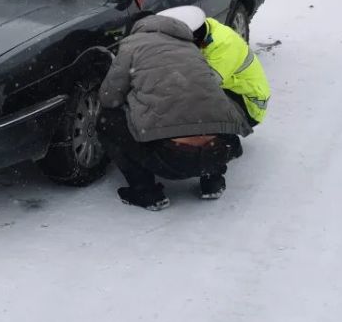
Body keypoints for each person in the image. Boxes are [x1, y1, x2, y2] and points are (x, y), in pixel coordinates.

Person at [98, 14, 252, 210]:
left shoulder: (131, 45)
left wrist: (134, 97)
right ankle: (212, 181)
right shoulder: (191, 47)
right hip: (220, 150)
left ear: (138, 28)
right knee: (204, 109)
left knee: (106, 120)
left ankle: (146, 192)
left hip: (170, 159)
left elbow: (109, 97)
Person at [158, 6, 270, 126]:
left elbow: (202, 85)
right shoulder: (202, 26)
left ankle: (217, 136)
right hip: (230, 89)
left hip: (249, 105)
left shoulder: (224, 46)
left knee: (190, 101)